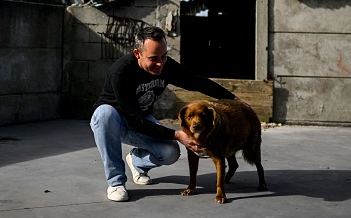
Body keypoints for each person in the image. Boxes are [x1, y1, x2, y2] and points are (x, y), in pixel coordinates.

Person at [90, 25, 243, 202]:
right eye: (153, 58)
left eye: (163, 57)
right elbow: (134, 119)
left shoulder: (166, 66)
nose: (160, 63)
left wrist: (233, 99)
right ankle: (116, 182)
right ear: (137, 54)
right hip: (115, 121)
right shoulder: (122, 71)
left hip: (141, 119)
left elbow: (196, 82)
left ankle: (137, 161)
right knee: (104, 113)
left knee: (170, 153)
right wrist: (176, 134)